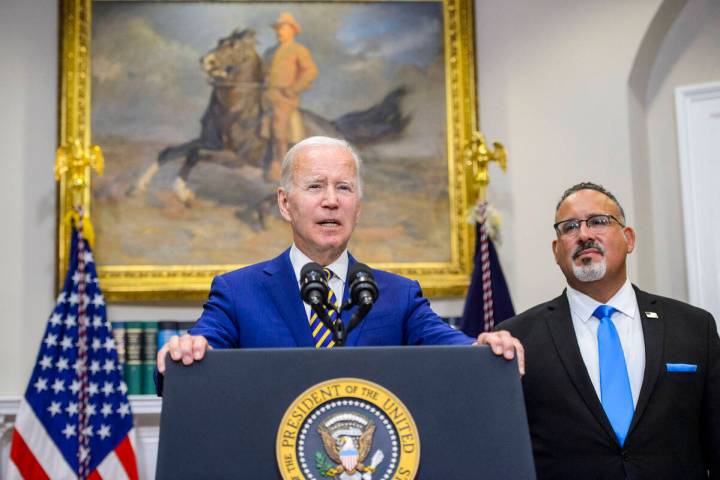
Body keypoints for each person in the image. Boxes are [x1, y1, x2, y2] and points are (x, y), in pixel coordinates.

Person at [157, 136, 524, 382]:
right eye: (315, 186)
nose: (331, 200)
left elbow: (455, 349)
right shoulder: (238, 292)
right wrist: (184, 349)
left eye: (344, 188)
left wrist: (484, 349)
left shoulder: (398, 295)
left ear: (358, 208)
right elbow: (198, 348)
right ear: (285, 203)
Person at [501, 182, 719, 479]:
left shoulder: (694, 327)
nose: (584, 234)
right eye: (569, 228)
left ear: (628, 239)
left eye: (599, 221)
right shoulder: (518, 338)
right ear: (556, 250)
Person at [262, 12, 318, 182]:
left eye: (284, 28)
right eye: (278, 29)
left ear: (293, 31)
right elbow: (262, 74)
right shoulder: (269, 52)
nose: (280, 32)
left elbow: (311, 71)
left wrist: (294, 88)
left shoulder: (298, 50)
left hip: (284, 98)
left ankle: (279, 164)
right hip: (265, 96)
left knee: (279, 126)